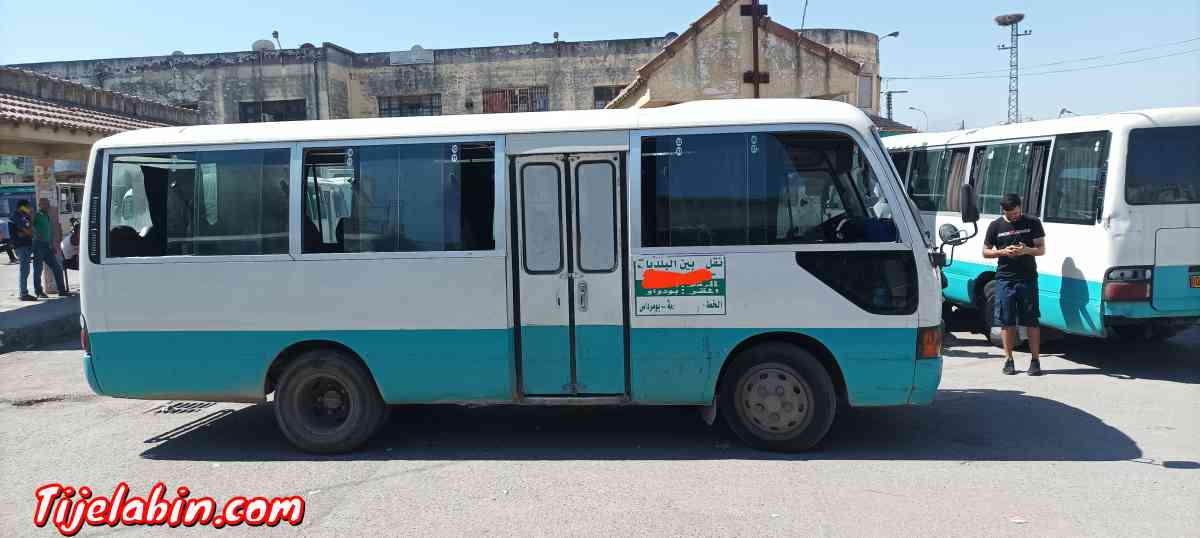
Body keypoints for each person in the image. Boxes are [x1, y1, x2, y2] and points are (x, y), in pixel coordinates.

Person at [982, 193, 1047, 376]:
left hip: (1027, 278)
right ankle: (1008, 360)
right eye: (1010, 215)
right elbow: (985, 252)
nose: (1014, 217)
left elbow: (1042, 249)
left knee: (1031, 321)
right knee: (1006, 321)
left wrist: (1027, 250)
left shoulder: (1033, 222)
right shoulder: (995, 226)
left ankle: (1035, 361)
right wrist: (1002, 252)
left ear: (1020, 207)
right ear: (1003, 211)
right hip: (1005, 279)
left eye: (1017, 213)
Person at [32, 198, 71, 298]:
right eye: (45, 204)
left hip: (47, 246)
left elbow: (49, 232)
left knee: (57, 268)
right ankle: (38, 291)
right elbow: (30, 227)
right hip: (38, 245)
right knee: (38, 269)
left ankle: (62, 290)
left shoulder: (47, 216)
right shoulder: (37, 215)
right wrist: (36, 235)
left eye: (48, 204)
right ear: (40, 205)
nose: (47, 206)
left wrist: (52, 245)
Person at [11, 199, 36, 301]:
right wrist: (28, 230)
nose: (29, 208)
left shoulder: (23, 216)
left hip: (25, 245)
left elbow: (29, 231)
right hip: (21, 246)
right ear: (22, 207)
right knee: (24, 270)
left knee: (25, 270)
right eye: (28, 206)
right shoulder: (17, 216)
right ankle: (23, 293)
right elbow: (28, 231)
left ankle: (24, 292)